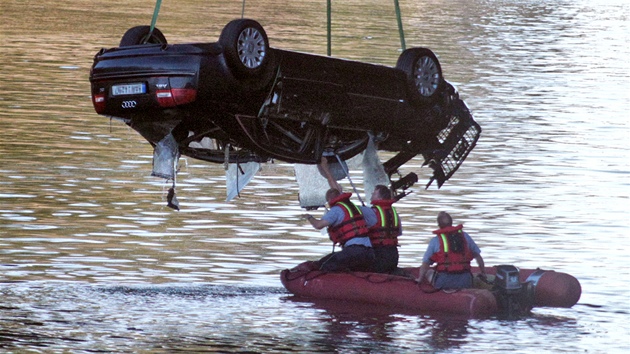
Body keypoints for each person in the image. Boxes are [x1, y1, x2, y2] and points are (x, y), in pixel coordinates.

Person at [302, 157, 375, 272]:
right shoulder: (352, 206)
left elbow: (319, 225)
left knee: (323, 266)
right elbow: (334, 185)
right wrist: (325, 167)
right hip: (370, 252)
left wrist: (309, 217)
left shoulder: (336, 210)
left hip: (354, 251)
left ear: (329, 200)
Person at [415, 211, 486, 289]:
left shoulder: (435, 240)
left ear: (439, 225)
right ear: (452, 223)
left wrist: (420, 279)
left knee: (428, 272)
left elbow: (426, 263)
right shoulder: (465, 236)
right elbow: (478, 256)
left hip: (444, 282)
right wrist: (483, 273)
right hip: (465, 281)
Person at [362, 184, 402, 274]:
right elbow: (398, 233)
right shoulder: (395, 213)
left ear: (380, 198)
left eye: (374, 193)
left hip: (379, 253)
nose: (371, 195)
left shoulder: (372, 212)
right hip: (394, 254)